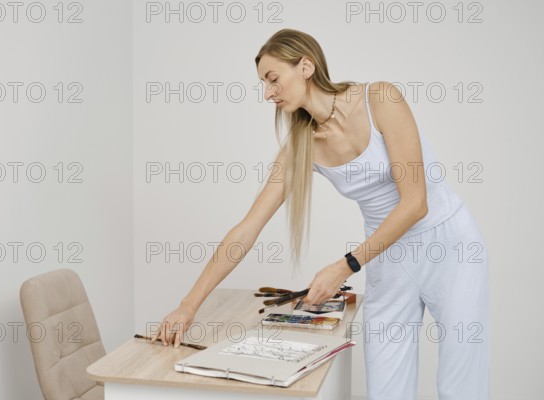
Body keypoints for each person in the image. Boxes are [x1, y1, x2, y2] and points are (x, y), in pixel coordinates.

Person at [150, 28, 489, 400]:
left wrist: (344, 266)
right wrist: (187, 306)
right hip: (386, 258)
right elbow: (247, 229)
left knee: (462, 384)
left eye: (273, 79)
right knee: (386, 388)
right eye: (264, 83)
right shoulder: (301, 147)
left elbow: (415, 203)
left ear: (306, 66)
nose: (268, 93)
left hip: (448, 244)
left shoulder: (380, 99)